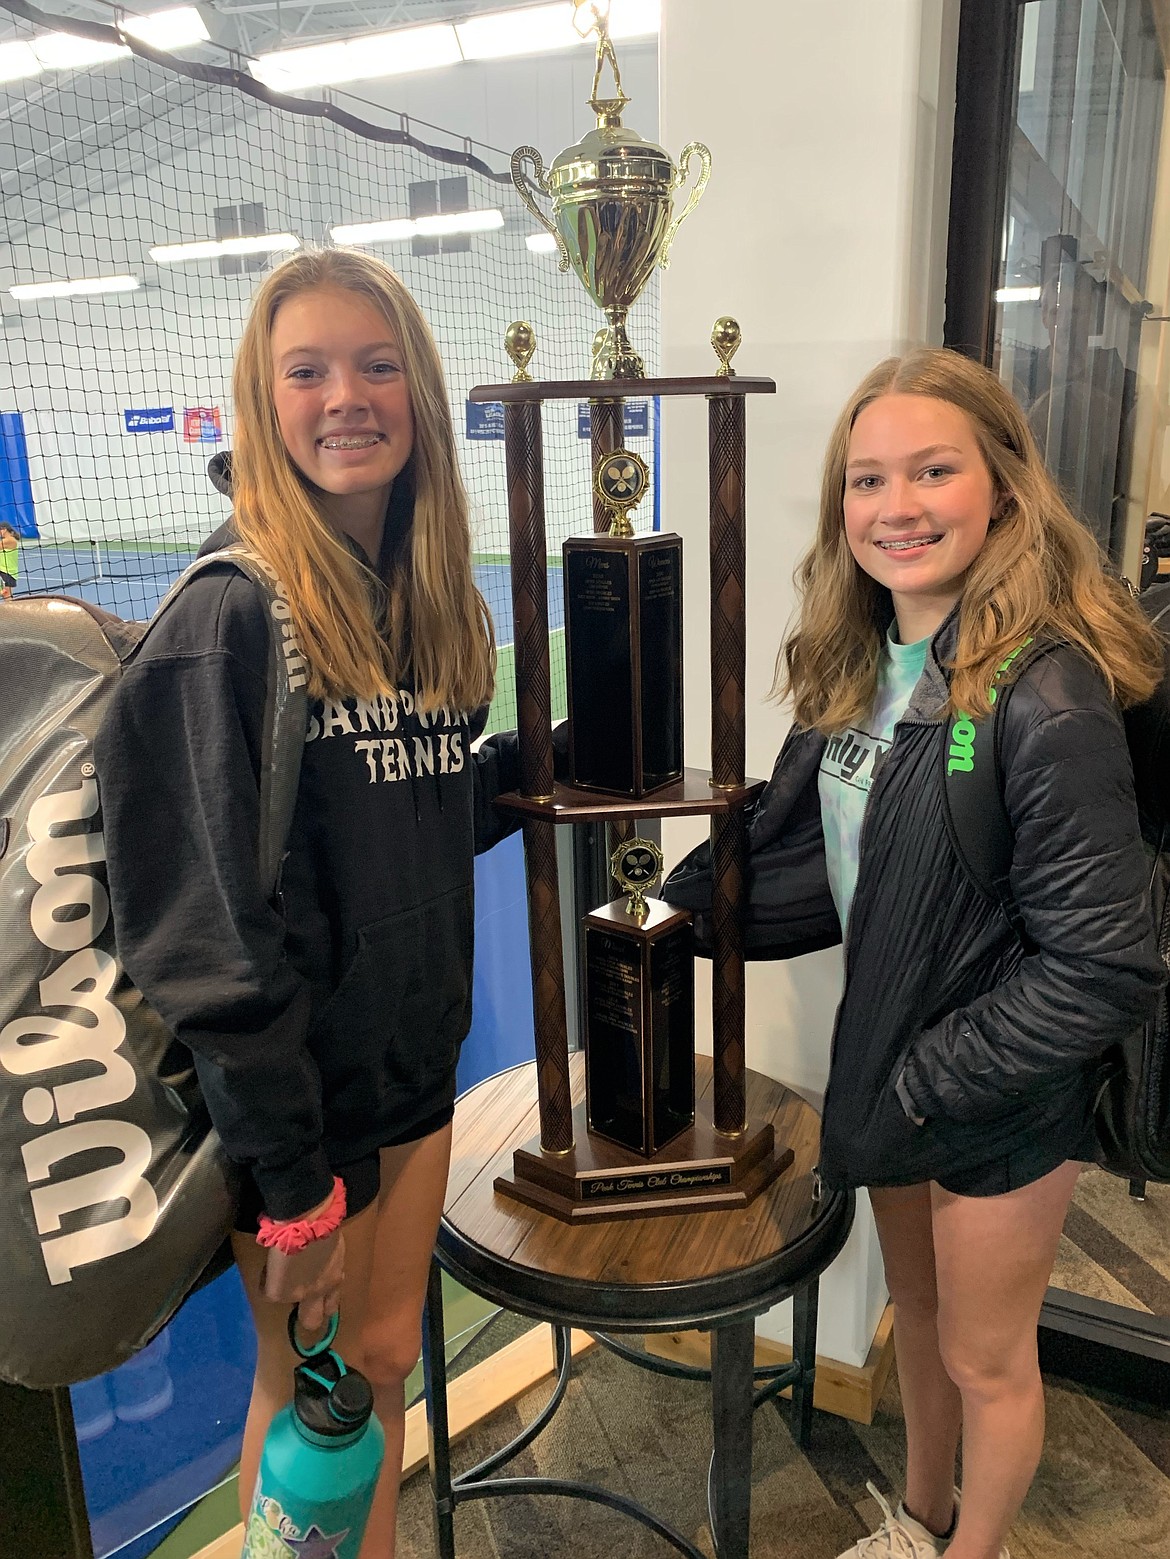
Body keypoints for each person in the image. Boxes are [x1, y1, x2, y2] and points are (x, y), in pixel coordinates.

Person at [664, 347, 1165, 1559]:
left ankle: (972, 1549)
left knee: (988, 1358)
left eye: (932, 471)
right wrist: (687, 908)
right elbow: (845, 867)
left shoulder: (1046, 696)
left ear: (1001, 483)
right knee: (926, 1319)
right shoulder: (860, 668)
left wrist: (935, 1076)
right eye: (867, 478)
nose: (897, 507)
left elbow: (1104, 960)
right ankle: (924, 1518)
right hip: (896, 1060)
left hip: (993, 1094)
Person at [95, 248, 523, 1558]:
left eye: (377, 363)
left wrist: (550, 766)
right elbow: (204, 938)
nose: (348, 395)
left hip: (408, 1075)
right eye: (309, 369)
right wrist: (292, 1183)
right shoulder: (228, 618)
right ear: (260, 402)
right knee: (309, 1398)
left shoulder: (424, 605)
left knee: (378, 1358)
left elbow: (405, 821)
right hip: (303, 1116)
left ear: (420, 393)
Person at [0, 522, 19, 598]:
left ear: (4, 529)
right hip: (3, 568)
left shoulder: (10, 540)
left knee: (7, 596)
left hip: (8, 570)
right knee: (6, 594)